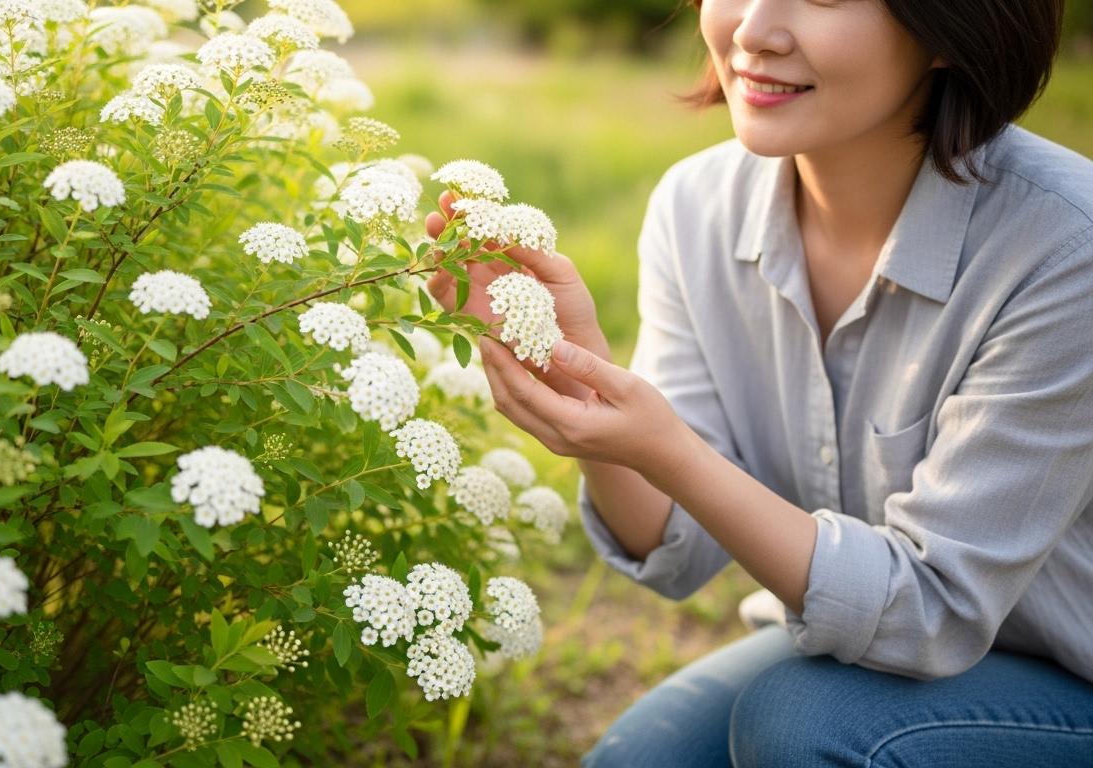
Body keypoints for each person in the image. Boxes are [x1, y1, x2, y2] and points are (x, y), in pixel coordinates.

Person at [424, 0, 1093, 765]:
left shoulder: (1067, 248)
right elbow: (670, 545)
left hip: (1068, 673)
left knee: (803, 729)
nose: (751, 29)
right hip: (869, 652)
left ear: (949, 26)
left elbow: (931, 611)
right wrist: (582, 391)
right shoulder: (697, 206)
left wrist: (670, 450)